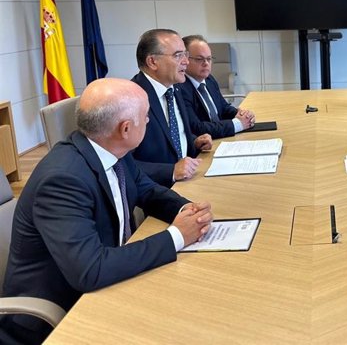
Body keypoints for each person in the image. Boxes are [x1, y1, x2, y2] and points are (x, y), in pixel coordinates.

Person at [0, 78, 213, 345]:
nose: (149, 121)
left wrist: (186, 209)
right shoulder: (63, 179)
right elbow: (90, 270)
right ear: (125, 128)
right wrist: (177, 236)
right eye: (145, 116)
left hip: (106, 283)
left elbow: (148, 191)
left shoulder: (110, 149)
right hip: (55, 319)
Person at [131, 29, 212, 187]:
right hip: (157, 190)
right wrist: (171, 171)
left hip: (191, 177)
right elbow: (121, 163)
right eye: (178, 55)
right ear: (153, 62)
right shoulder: (132, 100)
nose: (186, 62)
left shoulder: (174, 88)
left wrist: (193, 142)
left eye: (185, 55)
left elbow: (170, 136)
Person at [179, 34, 255, 139]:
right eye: (199, 59)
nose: (206, 63)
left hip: (222, 138)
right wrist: (238, 124)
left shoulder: (209, 80)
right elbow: (197, 128)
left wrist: (242, 114)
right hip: (205, 146)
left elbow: (223, 108)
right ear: (184, 60)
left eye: (209, 59)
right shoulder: (180, 88)